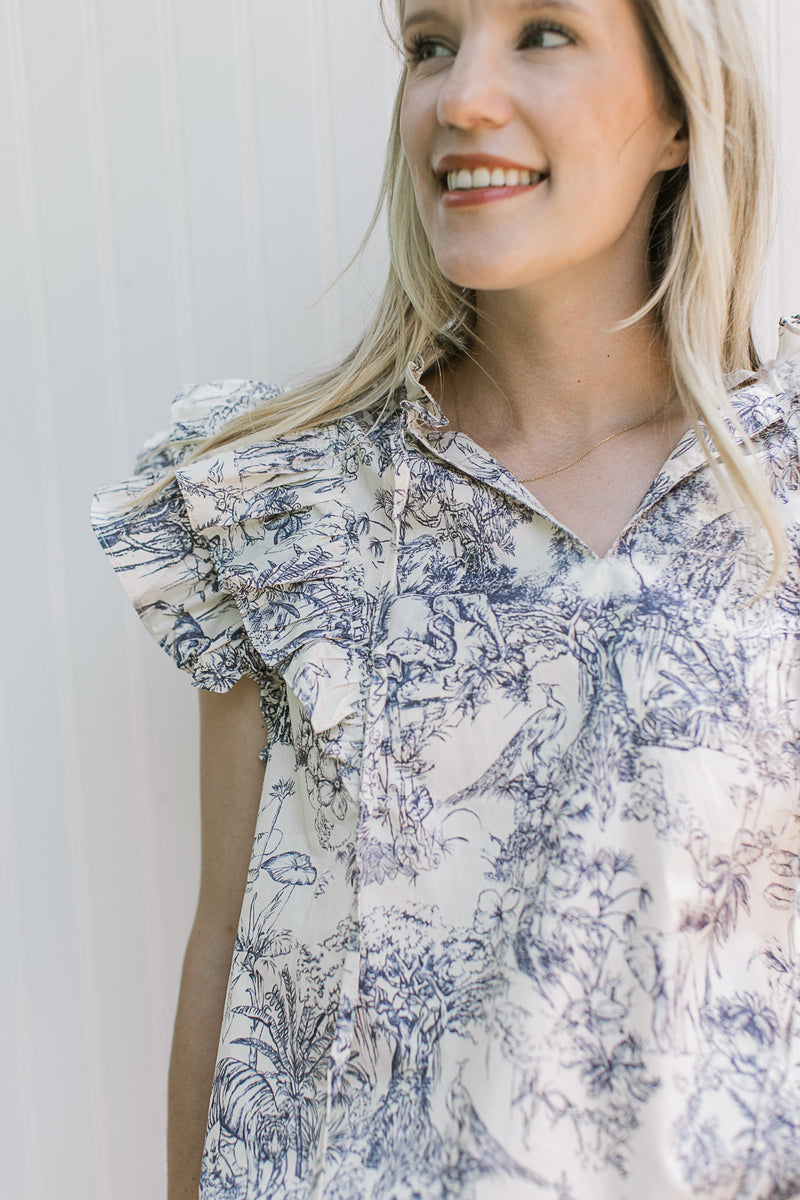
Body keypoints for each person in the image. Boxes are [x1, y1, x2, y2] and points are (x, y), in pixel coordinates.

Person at [91, 0, 800, 1196]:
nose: (458, 98)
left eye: (541, 33)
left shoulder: (776, 490)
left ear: (679, 112)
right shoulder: (286, 498)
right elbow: (233, 953)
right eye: (429, 45)